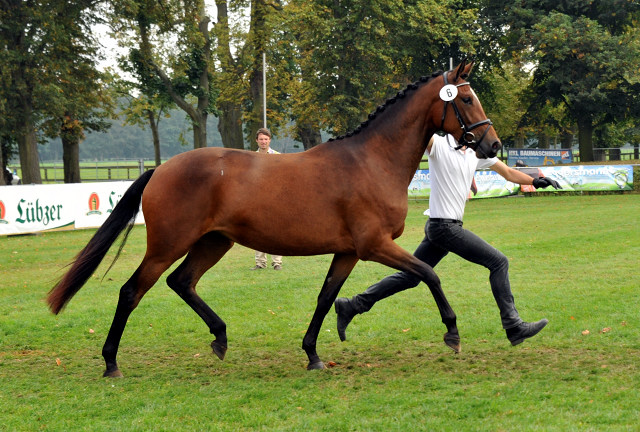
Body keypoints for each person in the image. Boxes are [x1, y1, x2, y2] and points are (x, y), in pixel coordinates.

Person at [335, 134, 561, 346]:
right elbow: (422, 131)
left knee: (410, 277)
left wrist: (535, 180)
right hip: (444, 227)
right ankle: (514, 326)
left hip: (442, 228)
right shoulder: (439, 145)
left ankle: (352, 305)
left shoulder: (473, 154)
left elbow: (508, 173)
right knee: (499, 262)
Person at [251, 127, 284, 271]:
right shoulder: (251, 157)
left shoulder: (278, 156)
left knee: (276, 230)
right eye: (261, 139)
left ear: (269, 140)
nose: (263, 142)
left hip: (274, 198)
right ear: (256, 141)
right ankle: (260, 262)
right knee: (257, 231)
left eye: (266, 139)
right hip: (257, 198)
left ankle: (277, 262)